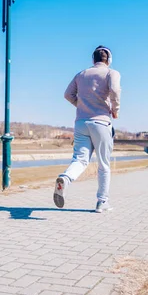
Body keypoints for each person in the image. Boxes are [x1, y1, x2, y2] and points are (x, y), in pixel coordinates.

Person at [54, 45, 121, 213]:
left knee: (80, 160)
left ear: (93, 59)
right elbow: (114, 90)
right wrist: (115, 109)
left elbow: (67, 95)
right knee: (104, 164)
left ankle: (65, 178)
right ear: (109, 60)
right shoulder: (111, 73)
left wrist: (82, 105)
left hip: (81, 122)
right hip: (101, 123)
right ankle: (102, 202)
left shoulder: (81, 74)